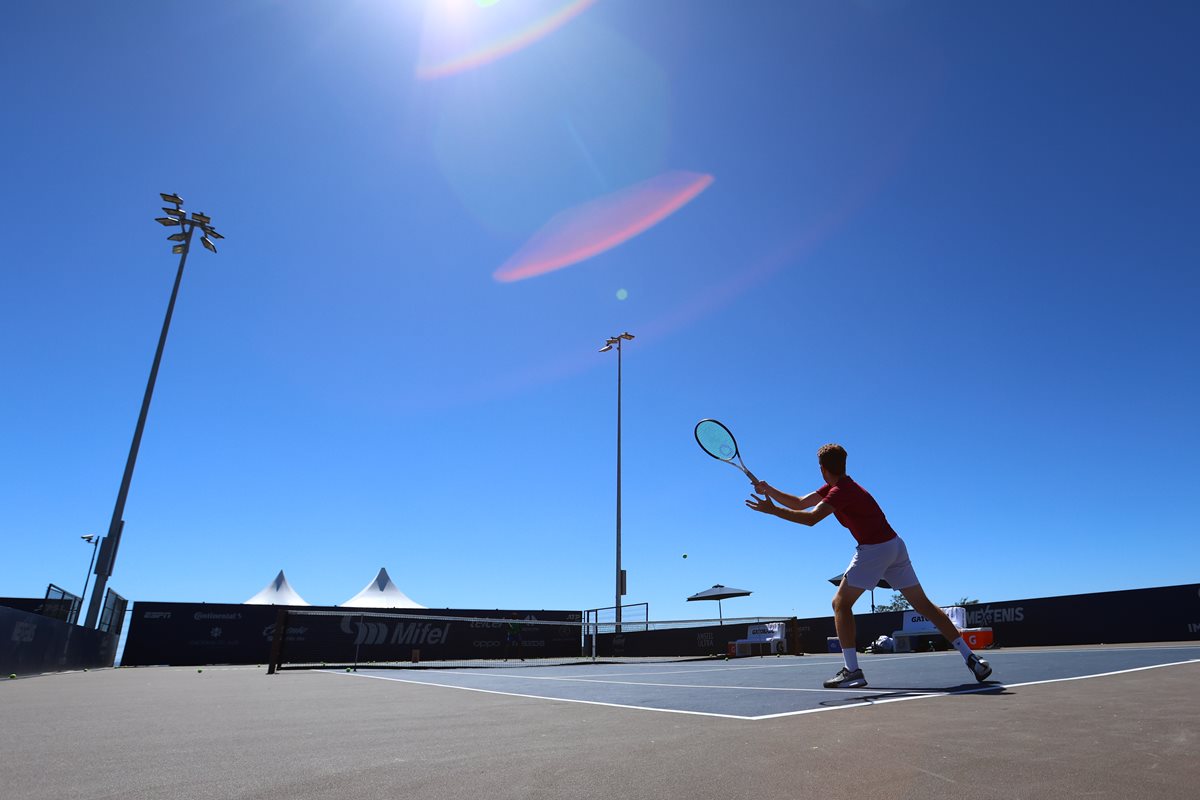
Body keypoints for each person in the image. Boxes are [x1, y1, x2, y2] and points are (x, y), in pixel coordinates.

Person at [746, 443, 992, 688]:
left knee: (840, 604)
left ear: (822, 469)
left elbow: (811, 518)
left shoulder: (841, 491)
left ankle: (852, 671)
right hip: (895, 545)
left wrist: (773, 511)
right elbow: (800, 503)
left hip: (875, 548)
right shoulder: (840, 486)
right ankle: (972, 658)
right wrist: (769, 489)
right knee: (923, 605)